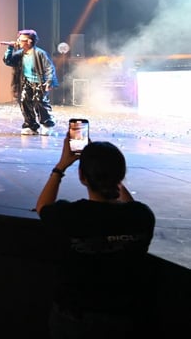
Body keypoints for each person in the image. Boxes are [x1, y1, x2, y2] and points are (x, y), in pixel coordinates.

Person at [35, 139, 155, 338]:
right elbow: (130, 208)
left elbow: (43, 207)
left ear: (82, 176)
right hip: (124, 317)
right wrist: (108, 170)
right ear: (120, 176)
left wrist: (61, 166)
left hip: (74, 317)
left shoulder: (72, 215)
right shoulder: (142, 216)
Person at [2, 29, 57, 135]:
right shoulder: (20, 54)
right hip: (27, 82)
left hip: (40, 83)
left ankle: (47, 124)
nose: (18, 42)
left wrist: (49, 81)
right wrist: (10, 48)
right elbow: (8, 61)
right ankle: (30, 125)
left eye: (21, 40)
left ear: (30, 41)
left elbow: (49, 68)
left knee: (40, 103)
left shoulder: (40, 53)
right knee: (24, 102)